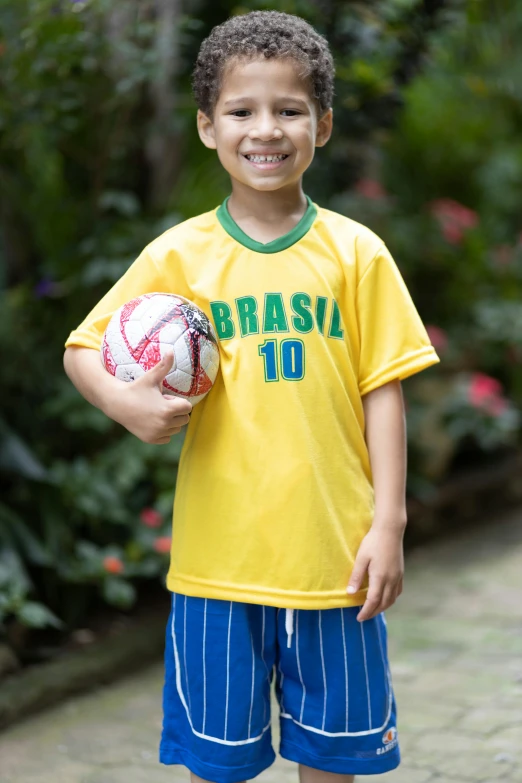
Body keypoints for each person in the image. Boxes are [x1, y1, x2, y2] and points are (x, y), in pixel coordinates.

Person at [63, 10, 440, 783]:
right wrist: (127, 405)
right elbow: (81, 350)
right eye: (241, 110)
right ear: (207, 127)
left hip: (335, 563)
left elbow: (384, 392)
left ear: (323, 125)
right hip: (216, 567)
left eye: (289, 110)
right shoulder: (178, 256)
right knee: (218, 766)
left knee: (333, 760)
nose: (265, 130)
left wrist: (390, 524)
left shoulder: (356, 254)